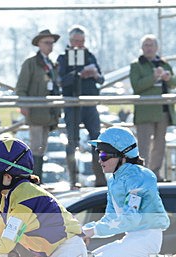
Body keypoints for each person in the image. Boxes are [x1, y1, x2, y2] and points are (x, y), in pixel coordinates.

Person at [82, 127, 170, 257]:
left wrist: (93, 231)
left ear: (122, 156)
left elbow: (131, 218)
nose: (99, 160)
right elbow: (111, 219)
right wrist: (82, 230)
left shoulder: (140, 176)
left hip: (147, 240)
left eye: (104, 155)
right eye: (98, 153)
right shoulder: (113, 180)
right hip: (132, 237)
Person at [57, 25, 106, 187]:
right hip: (72, 104)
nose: (79, 44)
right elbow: (60, 81)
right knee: (72, 141)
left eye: (82, 41)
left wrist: (94, 74)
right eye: (76, 41)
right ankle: (73, 179)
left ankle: (100, 177)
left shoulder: (90, 56)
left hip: (89, 103)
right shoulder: (63, 58)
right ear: (70, 41)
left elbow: (101, 80)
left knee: (96, 139)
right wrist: (77, 74)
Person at [130, 34, 176, 179]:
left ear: (157, 48)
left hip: (163, 111)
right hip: (145, 112)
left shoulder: (164, 64)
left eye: (151, 45)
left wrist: (168, 78)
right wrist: (153, 77)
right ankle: (142, 174)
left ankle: (156, 173)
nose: (149, 48)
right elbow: (136, 86)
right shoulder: (136, 65)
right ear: (141, 48)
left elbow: (175, 82)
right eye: (146, 45)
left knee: (160, 145)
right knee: (144, 145)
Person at [16, 29, 62, 181]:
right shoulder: (31, 63)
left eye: (51, 43)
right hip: (36, 112)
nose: (50, 46)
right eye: (46, 43)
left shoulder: (52, 64)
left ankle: (37, 178)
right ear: (39, 44)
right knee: (36, 146)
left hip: (48, 112)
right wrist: (24, 105)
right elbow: (21, 86)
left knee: (42, 147)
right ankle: (35, 179)